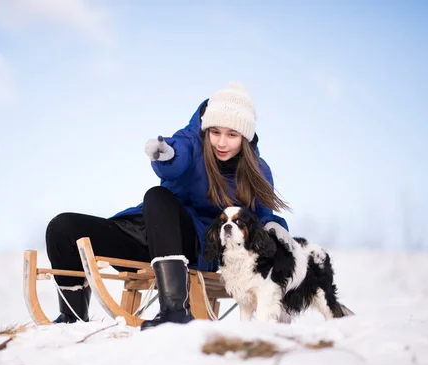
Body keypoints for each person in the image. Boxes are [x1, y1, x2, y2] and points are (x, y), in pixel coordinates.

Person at [45, 82, 294, 330]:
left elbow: (262, 217)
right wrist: (167, 155)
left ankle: (174, 310)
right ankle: (71, 318)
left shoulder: (257, 171)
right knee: (63, 227)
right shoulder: (191, 142)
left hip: (196, 244)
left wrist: (276, 227)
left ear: (245, 137)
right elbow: (178, 153)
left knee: (158, 196)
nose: (221, 142)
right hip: (152, 230)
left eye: (232, 135)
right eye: (215, 132)